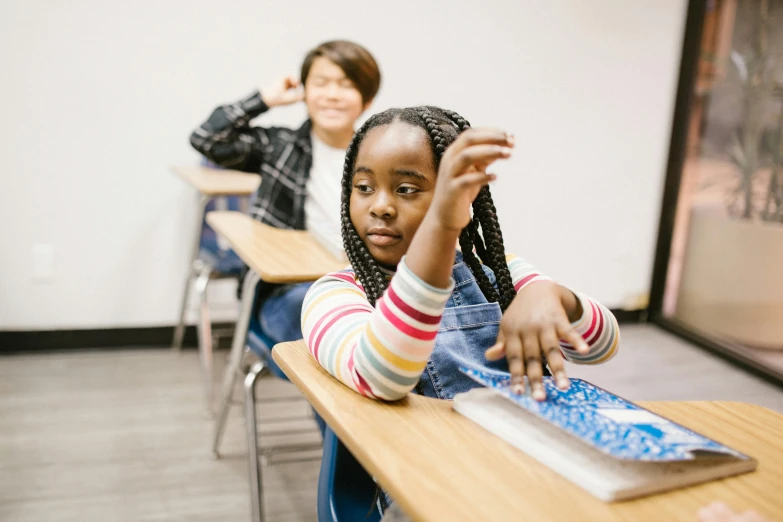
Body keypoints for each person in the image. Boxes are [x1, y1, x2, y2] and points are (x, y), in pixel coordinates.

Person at [301, 105, 619, 405]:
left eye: (407, 189)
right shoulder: (332, 294)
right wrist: (439, 225)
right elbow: (380, 378)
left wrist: (556, 297)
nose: (380, 206)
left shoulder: (501, 274)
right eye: (364, 187)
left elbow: (600, 348)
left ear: (464, 196)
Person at [189, 40, 381, 345]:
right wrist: (264, 99)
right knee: (339, 329)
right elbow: (207, 138)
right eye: (321, 83)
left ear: (367, 99)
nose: (332, 94)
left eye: (346, 85)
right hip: (290, 288)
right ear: (305, 91)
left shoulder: (382, 156)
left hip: (366, 285)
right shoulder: (280, 147)